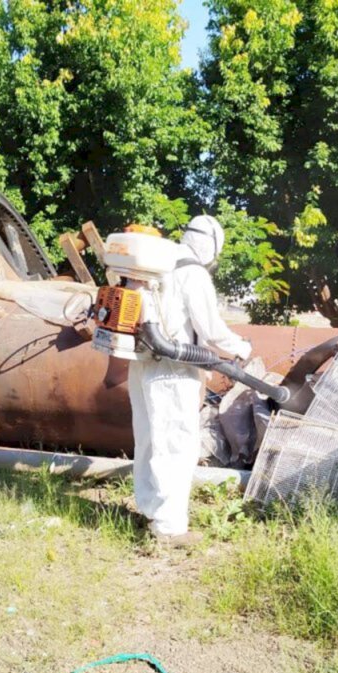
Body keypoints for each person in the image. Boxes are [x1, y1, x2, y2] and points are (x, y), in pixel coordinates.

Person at [129, 215, 252, 545]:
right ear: (211, 246)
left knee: (149, 440)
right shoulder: (192, 272)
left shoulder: (155, 263)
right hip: (173, 371)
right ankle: (169, 528)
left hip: (140, 366)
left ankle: (151, 510)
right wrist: (241, 346)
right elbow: (211, 330)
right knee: (176, 445)